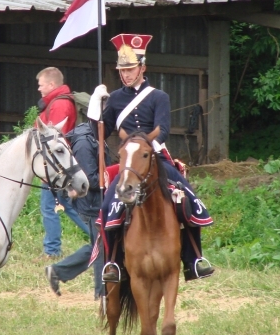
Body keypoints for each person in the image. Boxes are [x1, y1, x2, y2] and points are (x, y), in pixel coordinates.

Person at [87, 34, 215, 282]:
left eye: (130, 69)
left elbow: (163, 130)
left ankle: (194, 259)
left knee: (188, 199)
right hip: (129, 163)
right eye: (122, 70)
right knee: (106, 207)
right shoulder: (114, 99)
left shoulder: (159, 97)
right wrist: (96, 108)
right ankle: (112, 262)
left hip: (156, 157)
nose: (125, 74)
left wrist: (146, 150)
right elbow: (99, 133)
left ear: (142, 68)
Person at [45, 122, 108, 300]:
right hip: (91, 203)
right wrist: (114, 173)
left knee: (99, 244)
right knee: (100, 246)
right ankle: (102, 294)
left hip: (99, 202)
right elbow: (90, 180)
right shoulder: (84, 143)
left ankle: (57, 271)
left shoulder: (97, 138)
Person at [36, 67, 90, 258]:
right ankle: (98, 236)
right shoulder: (58, 102)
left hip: (55, 168)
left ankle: (52, 250)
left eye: (41, 85)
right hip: (60, 167)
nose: (39, 89)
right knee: (68, 206)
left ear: (51, 85)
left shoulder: (59, 105)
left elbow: (55, 141)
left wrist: (49, 171)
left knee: (49, 208)